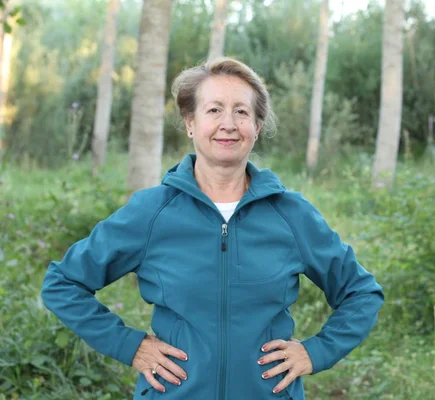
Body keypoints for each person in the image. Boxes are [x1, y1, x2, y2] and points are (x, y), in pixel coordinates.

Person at [41, 57, 384, 400]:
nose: (229, 124)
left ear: (257, 127)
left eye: (241, 112)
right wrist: (130, 346)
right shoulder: (151, 212)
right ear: (190, 123)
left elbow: (361, 292)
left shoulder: (291, 214)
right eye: (214, 110)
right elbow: (63, 283)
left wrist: (316, 352)